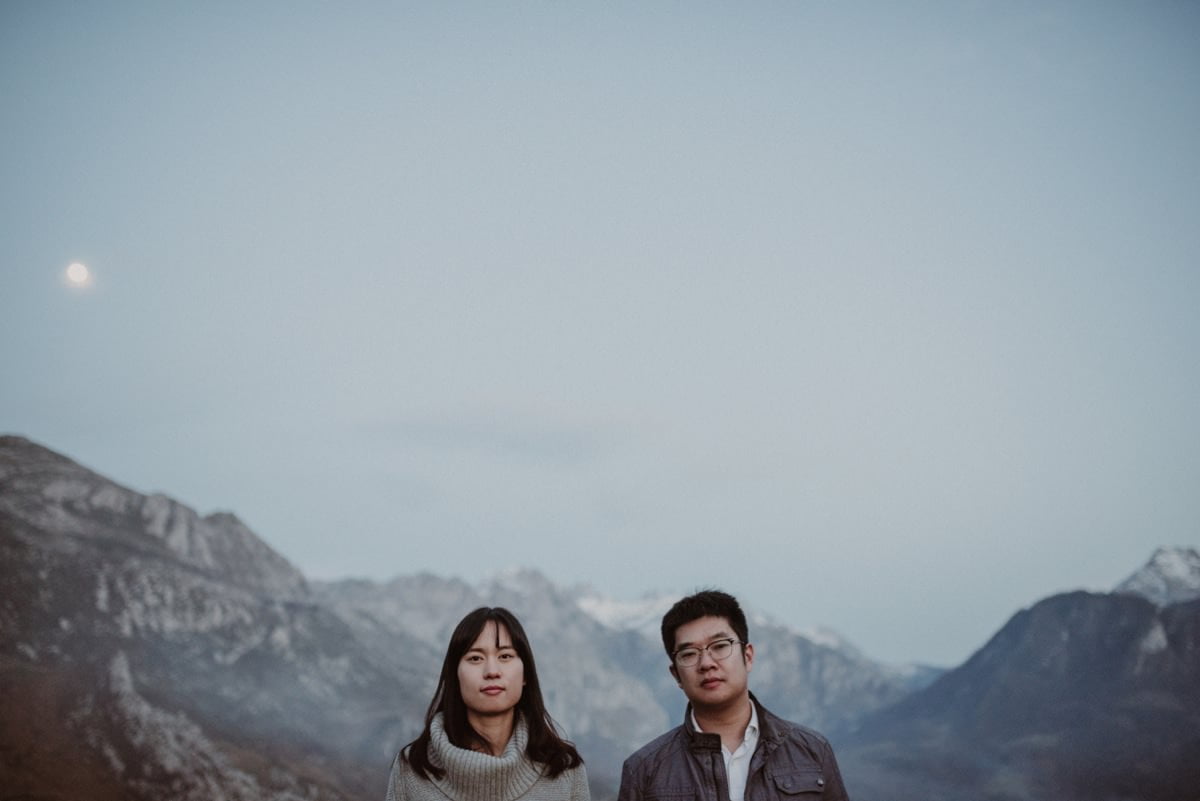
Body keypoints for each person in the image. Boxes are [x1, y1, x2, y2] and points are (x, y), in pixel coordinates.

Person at [618, 590, 850, 801]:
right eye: (689, 653)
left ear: (747, 656)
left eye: (719, 646)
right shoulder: (644, 771)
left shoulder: (811, 751)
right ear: (676, 675)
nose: (706, 663)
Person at [386, 606, 589, 801]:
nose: (492, 670)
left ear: (525, 673)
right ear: (455, 675)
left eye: (505, 656)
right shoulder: (413, 768)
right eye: (475, 658)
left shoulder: (564, 769)